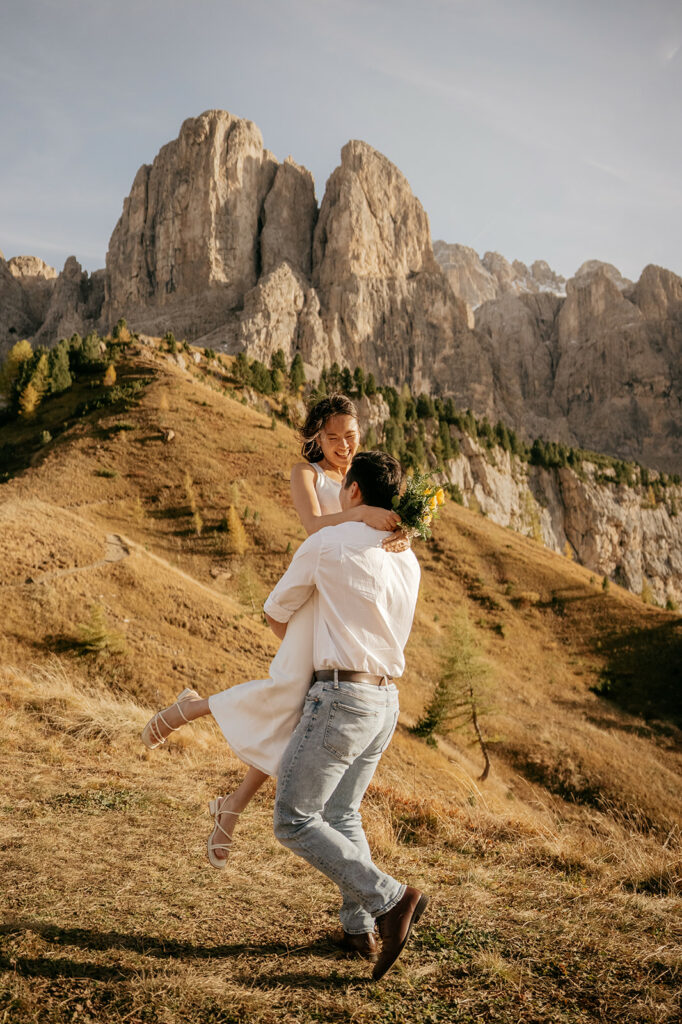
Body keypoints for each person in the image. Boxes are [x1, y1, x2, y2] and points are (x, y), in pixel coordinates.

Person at [140, 395, 400, 864]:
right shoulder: (309, 476)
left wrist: (398, 529)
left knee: (298, 717)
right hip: (315, 599)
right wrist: (361, 514)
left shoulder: (363, 480)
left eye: (351, 436)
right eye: (334, 437)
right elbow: (313, 527)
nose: (344, 445)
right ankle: (193, 710)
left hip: (342, 607)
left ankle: (231, 806)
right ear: (316, 437)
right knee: (288, 697)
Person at [264, 450, 427, 981]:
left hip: (340, 698)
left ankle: (392, 900)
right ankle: (358, 927)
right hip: (385, 702)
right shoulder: (406, 555)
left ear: (353, 492)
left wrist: (304, 654)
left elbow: (274, 613)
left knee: (293, 818)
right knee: (343, 814)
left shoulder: (326, 543)